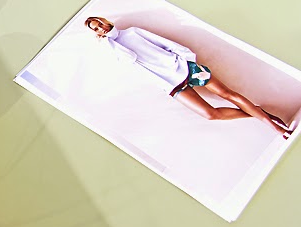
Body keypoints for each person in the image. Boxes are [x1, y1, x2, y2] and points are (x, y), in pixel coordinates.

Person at [84, 16, 290, 138]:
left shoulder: (132, 32)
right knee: (210, 114)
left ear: (105, 20)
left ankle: (274, 127)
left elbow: (167, 44)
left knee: (228, 94)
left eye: (99, 23)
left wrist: (188, 60)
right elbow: (130, 58)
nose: (100, 27)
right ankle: (257, 112)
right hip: (169, 83)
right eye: (96, 28)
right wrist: (108, 43)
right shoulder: (112, 49)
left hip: (184, 68)